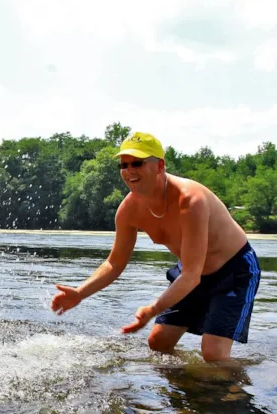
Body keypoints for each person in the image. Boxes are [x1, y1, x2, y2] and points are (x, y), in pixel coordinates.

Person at [51, 132, 261, 362]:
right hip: (191, 270)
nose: (129, 171)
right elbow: (114, 263)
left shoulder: (190, 201)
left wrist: (153, 309)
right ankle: (188, 380)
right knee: (158, 343)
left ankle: (237, 383)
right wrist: (80, 293)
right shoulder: (128, 210)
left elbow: (191, 276)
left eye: (137, 163)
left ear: (159, 165)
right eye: (123, 165)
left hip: (233, 270)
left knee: (214, 354)